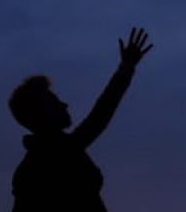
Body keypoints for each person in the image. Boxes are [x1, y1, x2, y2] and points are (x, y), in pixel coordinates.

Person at [9, 27, 153, 212]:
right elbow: (100, 115)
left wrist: (126, 67)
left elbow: (99, 116)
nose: (64, 105)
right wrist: (126, 67)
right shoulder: (45, 161)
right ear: (41, 113)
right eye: (54, 102)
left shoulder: (51, 155)